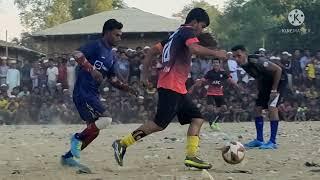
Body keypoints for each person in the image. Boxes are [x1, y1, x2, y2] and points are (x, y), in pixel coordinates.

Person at [112, 8, 226, 169]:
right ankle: (122, 143)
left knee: (197, 118)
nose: (202, 30)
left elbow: (152, 51)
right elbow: (195, 49)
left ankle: (191, 157)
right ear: (194, 22)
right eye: (202, 26)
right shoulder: (187, 31)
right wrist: (217, 53)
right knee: (159, 124)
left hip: (176, 87)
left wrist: (144, 76)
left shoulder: (175, 34)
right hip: (171, 85)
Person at [61, 19, 138, 170]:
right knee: (107, 119)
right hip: (83, 91)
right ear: (108, 32)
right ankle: (76, 139)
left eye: (120, 35)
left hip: (92, 94)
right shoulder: (96, 45)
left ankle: (68, 157)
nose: (119, 38)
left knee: (94, 131)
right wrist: (91, 69)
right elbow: (76, 53)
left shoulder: (112, 56)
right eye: (117, 35)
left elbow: (113, 79)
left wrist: (128, 88)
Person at [231, 45, 288, 149]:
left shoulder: (257, 60)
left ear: (245, 53)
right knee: (257, 109)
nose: (236, 59)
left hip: (279, 80)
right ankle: (259, 140)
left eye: (238, 55)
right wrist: (260, 90)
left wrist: (274, 90)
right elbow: (259, 76)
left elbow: (278, 70)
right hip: (266, 83)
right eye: (234, 57)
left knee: (272, 107)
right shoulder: (244, 64)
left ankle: (273, 142)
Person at [189, 59, 242, 129]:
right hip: (211, 93)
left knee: (224, 108)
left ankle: (216, 122)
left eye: (217, 62)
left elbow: (230, 80)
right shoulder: (209, 73)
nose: (215, 64)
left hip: (219, 94)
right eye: (214, 63)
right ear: (212, 64)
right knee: (210, 109)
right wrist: (193, 87)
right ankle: (211, 124)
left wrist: (237, 86)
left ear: (219, 64)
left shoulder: (223, 73)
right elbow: (202, 80)